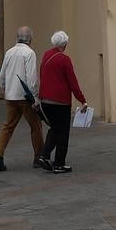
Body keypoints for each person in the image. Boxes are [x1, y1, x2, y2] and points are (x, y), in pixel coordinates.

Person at [0, 25, 45, 172]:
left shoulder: (9, 52)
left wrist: (4, 88)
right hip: (25, 96)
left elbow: (2, 74)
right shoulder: (29, 53)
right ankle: (39, 156)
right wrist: (35, 98)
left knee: (8, 126)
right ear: (30, 39)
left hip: (11, 96)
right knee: (36, 126)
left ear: (17, 37)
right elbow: (31, 78)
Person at [37, 31, 88, 174]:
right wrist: (82, 100)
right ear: (64, 44)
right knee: (63, 132)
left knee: (54, 128)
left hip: (45, 100)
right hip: (60, 102)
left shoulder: (46, 55)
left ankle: (44, 155)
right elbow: (73, 82)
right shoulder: (65, 60)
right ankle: (59, 164)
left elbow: (41, 74)